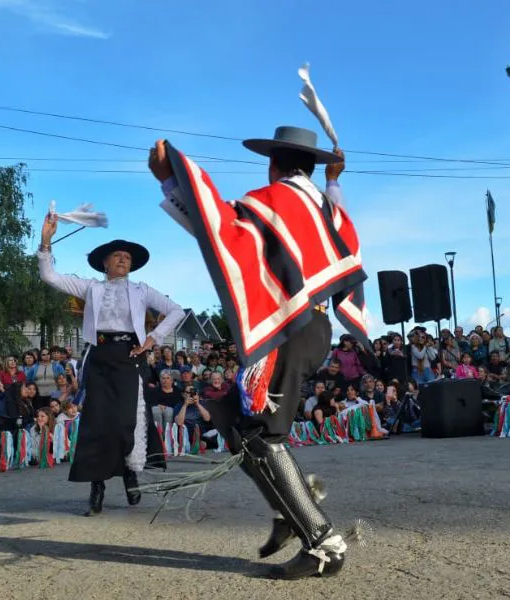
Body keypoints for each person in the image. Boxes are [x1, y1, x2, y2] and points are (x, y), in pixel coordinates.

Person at [151, 125, 370, 579]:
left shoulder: (274, 200)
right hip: (307, 327)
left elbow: (217, 232)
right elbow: (342, 236)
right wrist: (334, 180)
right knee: (232, 421)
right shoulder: (326, 208)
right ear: (309, 166)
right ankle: (290, 506)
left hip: (291, 328)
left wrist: (171, 180)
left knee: (259, 437)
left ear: (273, 162)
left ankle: (322, 542)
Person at [38, 216, 182, 517]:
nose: (123, 260)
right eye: (117, 256)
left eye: (127, 257)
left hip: (130, 357)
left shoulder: (142, 290)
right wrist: (47, 241)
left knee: (125, 421)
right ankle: (97, 486)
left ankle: (130, 471)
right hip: (100, 358)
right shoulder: (91, 288)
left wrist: (152, 339)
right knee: (97, 424)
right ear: (105, 263)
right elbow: (50, 277)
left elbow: (176, 311)